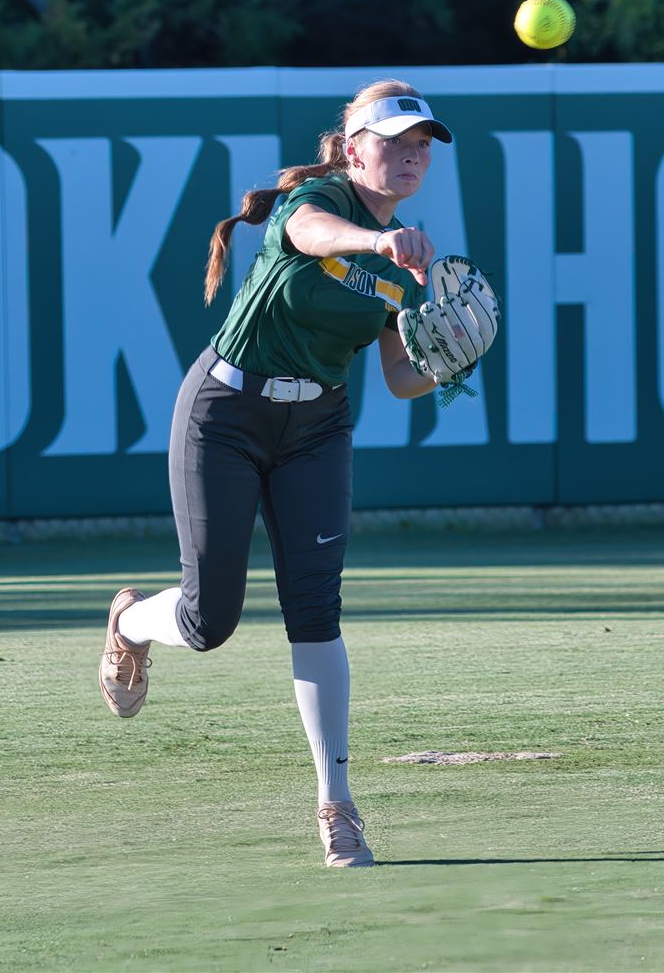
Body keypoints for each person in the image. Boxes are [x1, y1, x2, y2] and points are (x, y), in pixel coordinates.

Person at [97, 78, 490, 869]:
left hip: (317, 426)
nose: (412, 154)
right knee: (210, 624)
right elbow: (313, 234)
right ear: (353, 150)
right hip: (225, 413)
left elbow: (401, 376)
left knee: (316, 610)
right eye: (395, 140)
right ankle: (130, 623)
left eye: (424, 144)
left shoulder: (408, 260)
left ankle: (337, 808)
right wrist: (378, 242)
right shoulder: (312, 210)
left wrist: (452, 355)